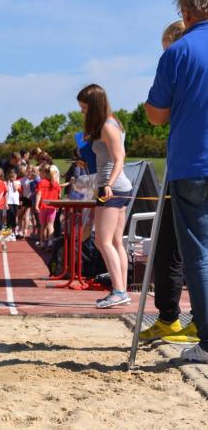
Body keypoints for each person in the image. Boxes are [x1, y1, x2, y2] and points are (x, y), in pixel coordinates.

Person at [145, 0, 208, 362]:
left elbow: (156, 114)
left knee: (198, 254)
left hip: (193, 163)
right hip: (192, 163)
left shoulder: (178, 51)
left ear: (186, 12)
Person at [140, 20, 189, 342]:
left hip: (189, 167)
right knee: (171, 247)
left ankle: (182, 317)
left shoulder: (180, 60)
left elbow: (156, 113)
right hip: (185, 164)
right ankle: (172, 316)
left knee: (177, 248)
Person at [77, 83, 132, 308]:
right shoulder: (109, 124)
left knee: (102, 240)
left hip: (112, 188)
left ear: (95, 105)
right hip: (114, 186)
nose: (82, 112)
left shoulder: (109, 126)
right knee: (116, 241)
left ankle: (118, 291)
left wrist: (108, 184)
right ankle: (122, 290)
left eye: (84, 108)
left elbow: (120, 159)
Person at [35, 164, 61, 249]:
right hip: (52, 207)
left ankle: (42, 242)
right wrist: (57, 205)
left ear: (45, 173)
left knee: (43, 225)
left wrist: (36, 205)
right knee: (50, 225)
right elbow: (59, 195)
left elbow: (39, 194)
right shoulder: (56, 184)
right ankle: (50, 242)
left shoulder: (41, 182)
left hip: (43, 207)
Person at [5, 169, 21, 240]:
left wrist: (14, 181)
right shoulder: (7, 183)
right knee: (9, 217)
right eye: (11, 176)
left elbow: (15, 189)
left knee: (14, 216)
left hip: (15, 202)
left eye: (13, 176)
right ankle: (8, 233)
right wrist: (8, 182)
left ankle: (14, 232)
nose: (12, 178)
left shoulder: (18, 182)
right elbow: (7, 190)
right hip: (9, 201)